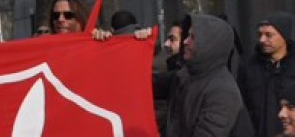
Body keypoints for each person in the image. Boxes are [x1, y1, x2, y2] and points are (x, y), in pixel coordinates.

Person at [105, 15, 254, 136]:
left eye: (193, 37)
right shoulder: (184, 76)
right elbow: (138, 82)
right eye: (187, 36)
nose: (186, 41)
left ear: (210, 45)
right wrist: (127, 44)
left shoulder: (223, 92)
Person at [238, 12, 295, 136]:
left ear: (284, 36)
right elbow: (242, 107)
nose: (262, 40)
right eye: (260, 35)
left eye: (268, 35)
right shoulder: (248, 66)